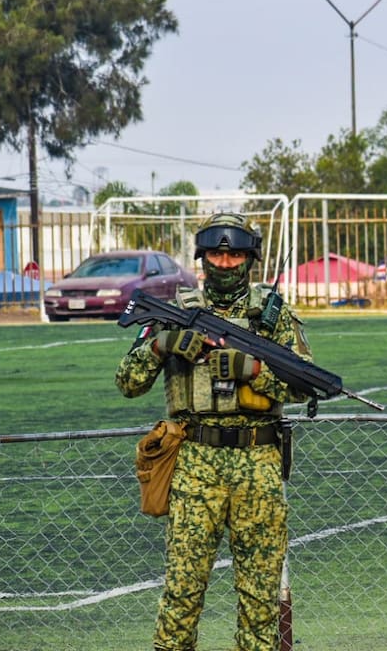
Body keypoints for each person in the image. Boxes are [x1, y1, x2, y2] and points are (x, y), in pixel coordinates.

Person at [115, 213, 311, 651]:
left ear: (249, 259)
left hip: (258, 464)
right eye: (217, 255)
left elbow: (304, 385)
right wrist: (160, 345)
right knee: (181, 595)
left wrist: (254, 370)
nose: (225, 264)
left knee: (260, 601)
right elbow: (128, 383)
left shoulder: (272, 316)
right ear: (203, 257)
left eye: (234, 255)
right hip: (194, 465)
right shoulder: (174, 313)